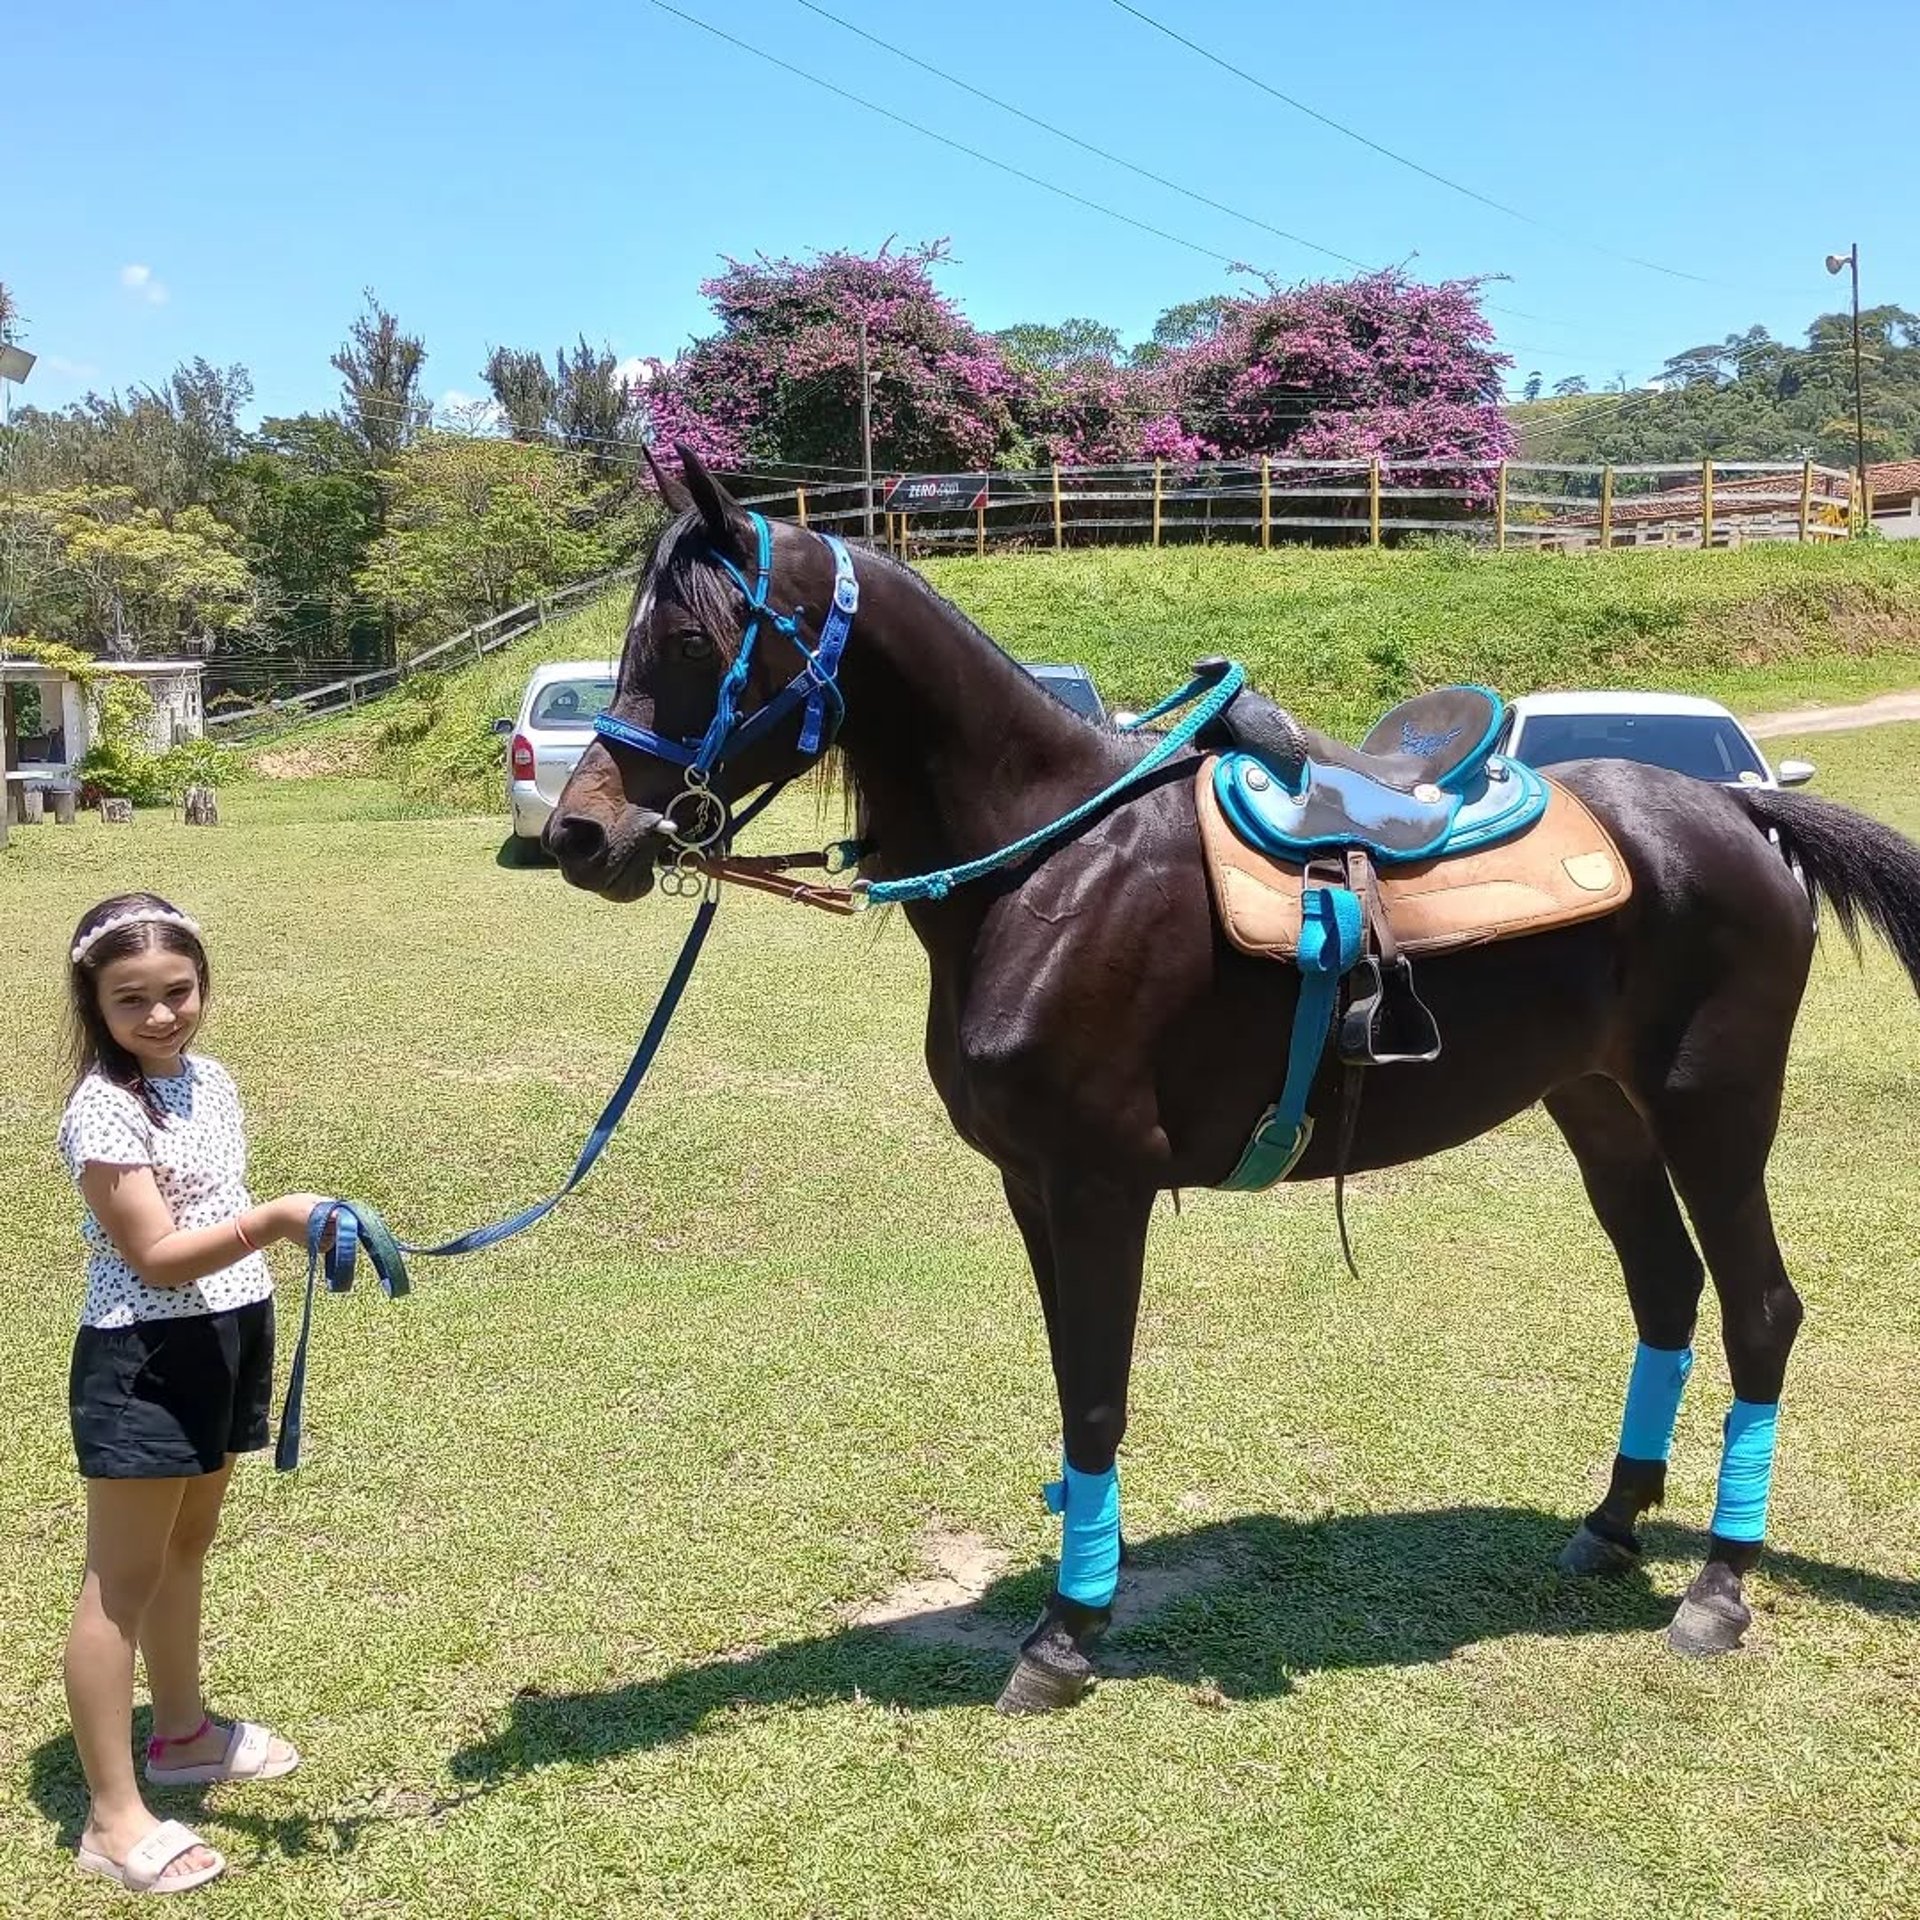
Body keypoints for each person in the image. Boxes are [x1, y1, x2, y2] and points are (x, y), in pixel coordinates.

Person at [57, 892, 329, 1894]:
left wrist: (280, 1235)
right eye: (134, 1000)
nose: (164, 1014)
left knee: (186, 1546)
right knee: (117, 1585)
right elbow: (158, 1255)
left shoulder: (206, 1080)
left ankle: (180, 1734)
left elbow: (214, 1209)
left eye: (180, 991)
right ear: (95, 1002)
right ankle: (112, 1819)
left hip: (224, 1336)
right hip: (145, 1358)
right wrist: (283, 1219)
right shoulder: (103, 1109)